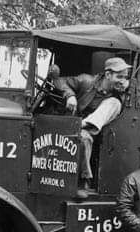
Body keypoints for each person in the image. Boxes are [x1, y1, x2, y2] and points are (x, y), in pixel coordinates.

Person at [51, 56, 132, 192]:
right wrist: (70, 95)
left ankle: (84, 180)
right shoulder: (87, 81)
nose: (123, 81)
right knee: (82, 136)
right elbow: (59, 81)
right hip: (72, 123)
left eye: (125, 77)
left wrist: (125, 85)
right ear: (107, 75)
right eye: (119, 77)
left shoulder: (119, 92)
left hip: (96, 132)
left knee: (85, 136)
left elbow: (131, 95)